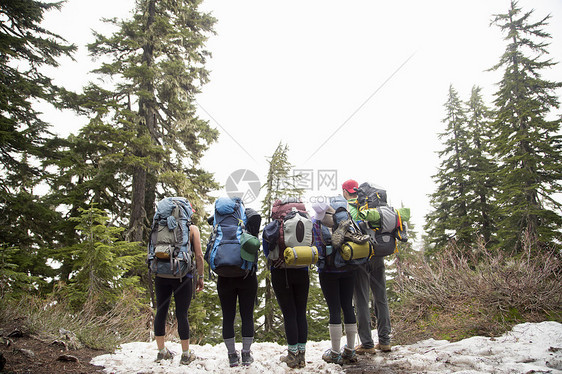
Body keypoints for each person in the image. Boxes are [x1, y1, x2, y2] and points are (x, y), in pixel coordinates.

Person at [342, 179, 392, 354]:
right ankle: (385, 341)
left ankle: (367, 344)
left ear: (345, 191)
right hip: (377, 253)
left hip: (361, 256)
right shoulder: (373, 205)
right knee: (381, 297)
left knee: (362, 299)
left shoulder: (349, 206)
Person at [262, 200, 310, 369]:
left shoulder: (273, 226)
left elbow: (267, 252)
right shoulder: (306, 222)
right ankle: (302, 356)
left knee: (289, 313)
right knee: (300, 312)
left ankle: (292, 355)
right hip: (302, 270)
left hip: (281, 273)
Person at [312, 202, 358, 365]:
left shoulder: (317, 225)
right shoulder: (346, 221)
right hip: (349, 270)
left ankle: (335, 353)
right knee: (348, 306)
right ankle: (351, 350)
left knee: (334, 310)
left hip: (328, 273)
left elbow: (317, 249)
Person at [215, 207, 260, 367]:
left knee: (228, 316)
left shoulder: (218, 223)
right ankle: (246, 354)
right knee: (247, 315)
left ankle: (232, 356)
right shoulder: (250, 219)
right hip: (246, 275)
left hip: (224, 275)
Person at [154, 223, 205, 365]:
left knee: (161, 310)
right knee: (182, 313)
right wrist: (200, 277)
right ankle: (185, 354)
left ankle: (161, 351)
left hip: (161, 273)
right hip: (183, 276)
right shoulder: (192, 229)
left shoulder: (160, 225)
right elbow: (199, 255)